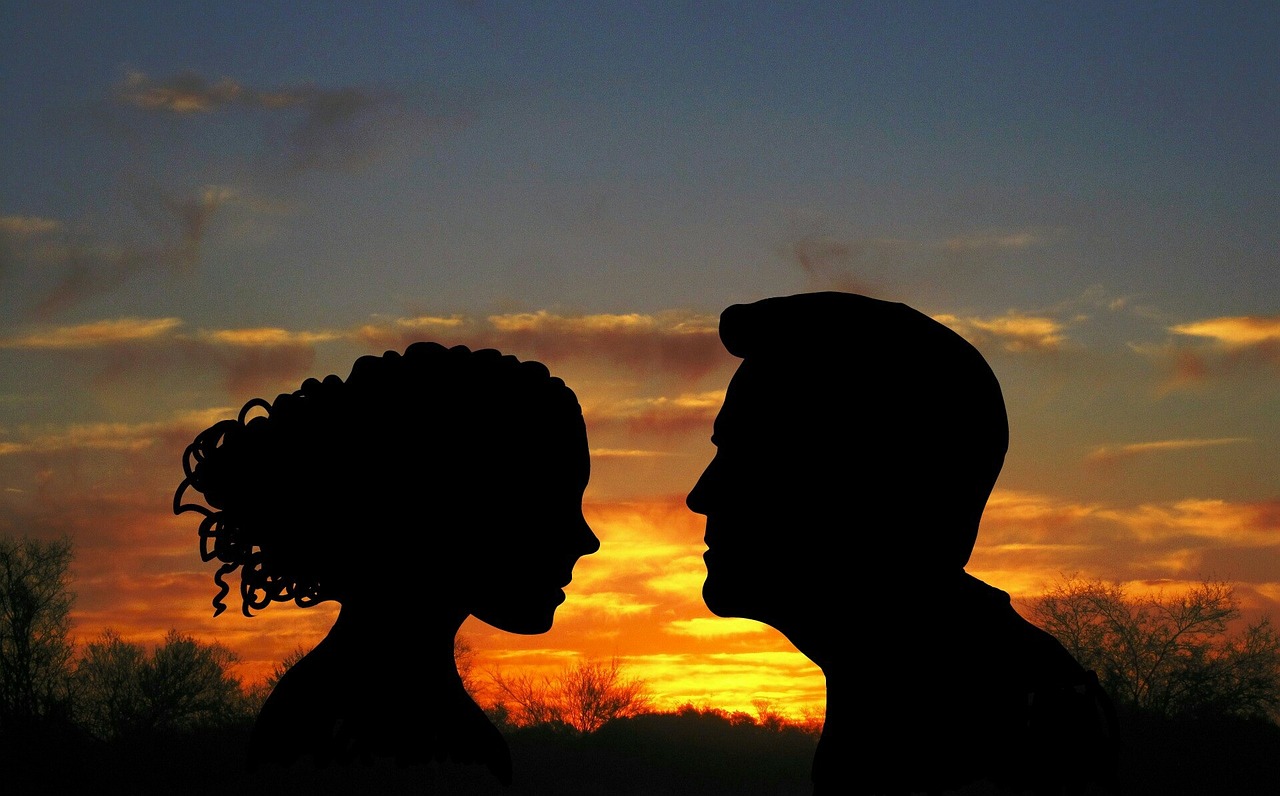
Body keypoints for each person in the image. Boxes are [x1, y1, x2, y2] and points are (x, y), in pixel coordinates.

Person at [686, 292, 1118, 796]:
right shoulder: (946, 698)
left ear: (866, 484)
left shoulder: (1005, 729)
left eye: (751, 457)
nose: (701, 495)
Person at [174, 342, 599, 787]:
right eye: (550, 504)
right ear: (439, 509)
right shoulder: (392, 741)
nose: (585, 540)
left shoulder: (326, 709)